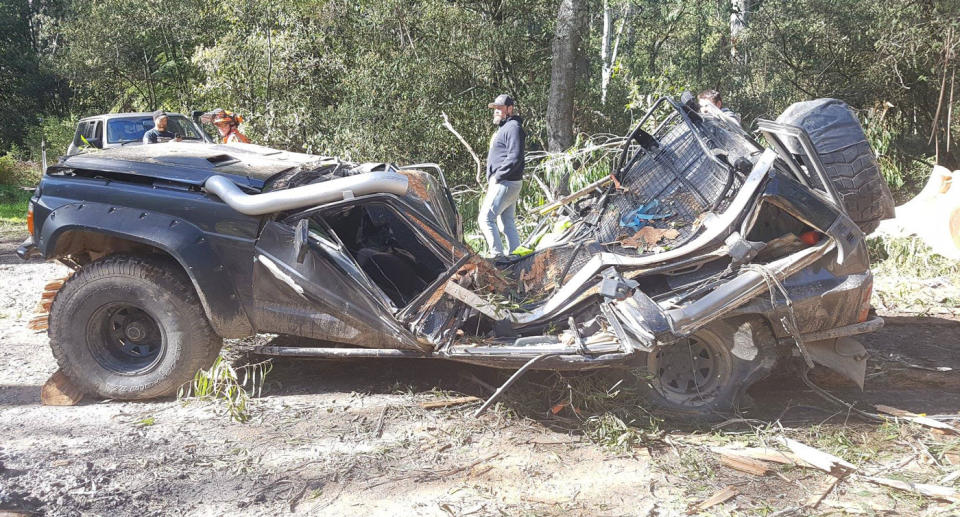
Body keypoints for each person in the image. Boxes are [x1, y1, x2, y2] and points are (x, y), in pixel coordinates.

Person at [478, 94, 526, 258]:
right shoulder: (506, 128)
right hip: (509, 183)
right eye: (495, 109)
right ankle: (516, 256)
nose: (496, 112)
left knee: (485, 219)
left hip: (505, 182)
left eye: (499, 108)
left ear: (509, 109)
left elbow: (515, 157)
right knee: (507, 222)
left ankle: (497, 257)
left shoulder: (513, 128)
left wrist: (497, 176)